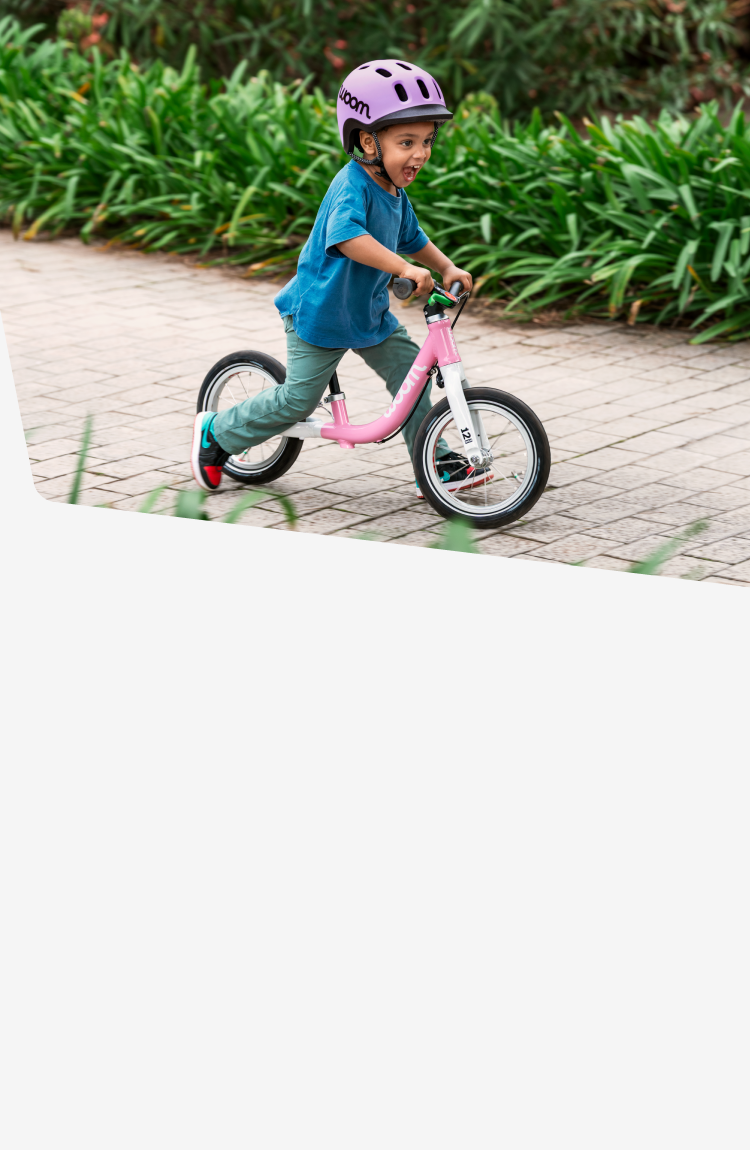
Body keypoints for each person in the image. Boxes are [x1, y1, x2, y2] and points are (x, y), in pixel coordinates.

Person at [191, 58, 478, 494]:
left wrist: (446, 266)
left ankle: (434, 463)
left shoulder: (393, 190)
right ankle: (218, 432)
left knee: (413, 379)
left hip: (367, 314)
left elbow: (411, 236)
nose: (420, 153)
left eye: (426, 141)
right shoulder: (352, 185)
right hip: (320, 313)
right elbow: (348, 239)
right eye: (406, 142)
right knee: (298, 400)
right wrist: (403, 268)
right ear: (367, 141)